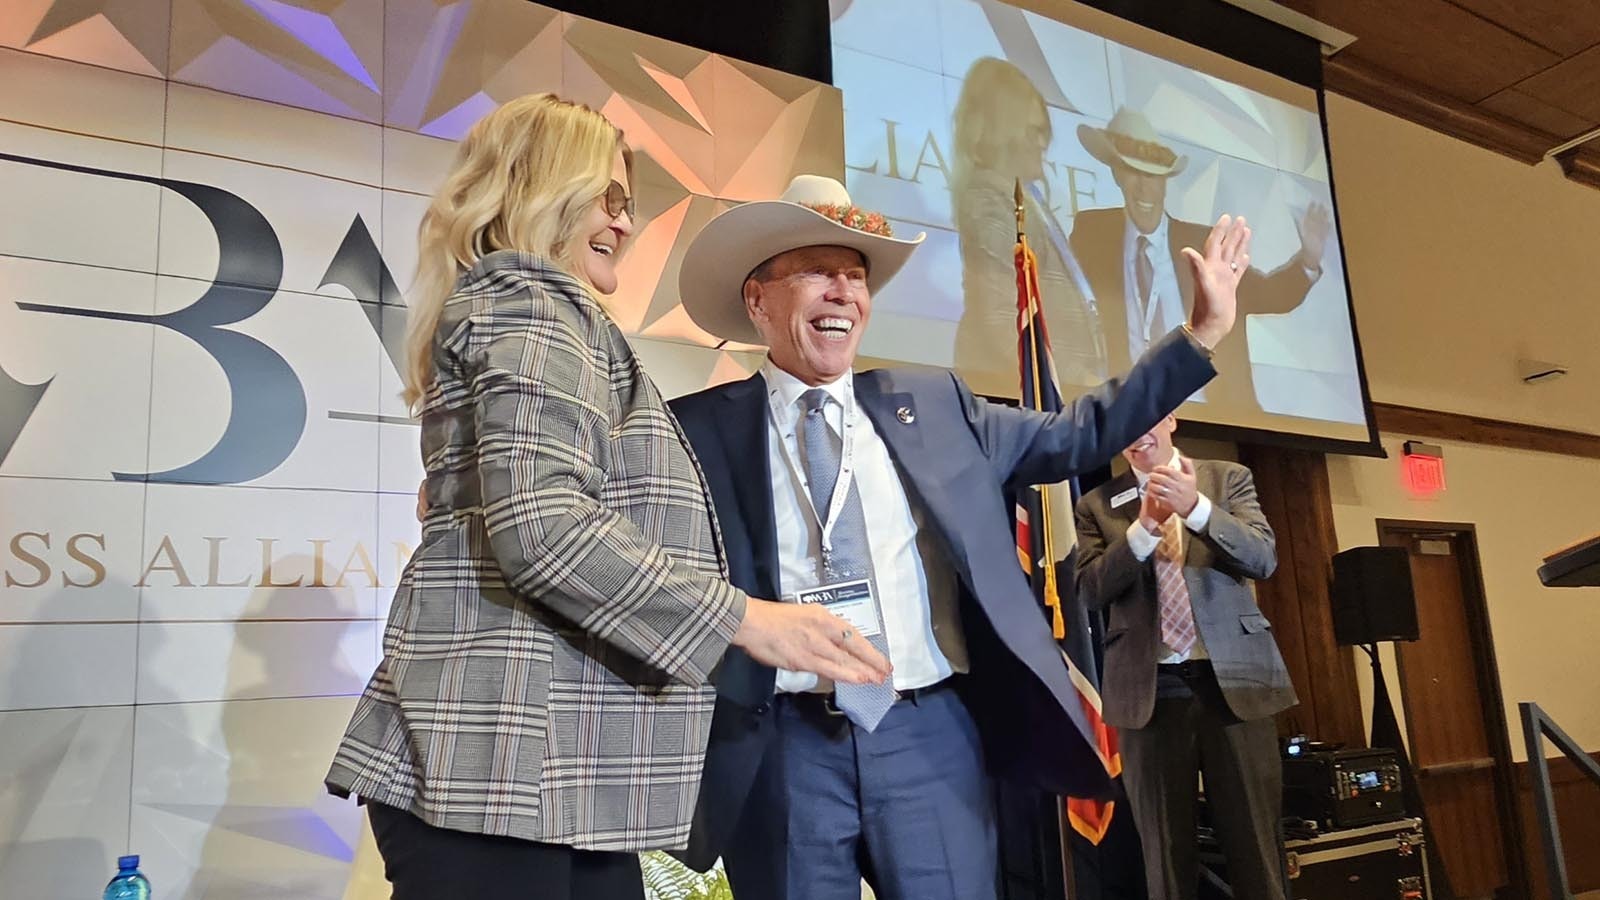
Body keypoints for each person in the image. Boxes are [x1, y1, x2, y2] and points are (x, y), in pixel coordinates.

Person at [324, 95, 888, 900]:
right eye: (609, 198)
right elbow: (545, 527)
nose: (625, 223)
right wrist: (751, 620)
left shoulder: (531, 310)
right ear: (543, 191)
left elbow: (529, 508)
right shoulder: (534, 303)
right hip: (504, 774)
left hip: (544, 782)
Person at [667, 173, 1251, 900]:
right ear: (758, 299)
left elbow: (1080, 433)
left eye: (857, 276)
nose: (844, 292)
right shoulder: (694, 430)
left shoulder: (932, 404)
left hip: (926, 734)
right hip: (781, 744)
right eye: (817, 271)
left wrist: (1200, 335)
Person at [1073, 415, 1297, 900]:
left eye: (1147, 417)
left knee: (1256, 851)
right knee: (1166, 860)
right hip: (1149, 694)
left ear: (1171, 419)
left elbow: (1262, 558)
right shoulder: (1097, 504)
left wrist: (1195, 508)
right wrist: (1144, 528)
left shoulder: (1226, 478)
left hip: (1235, 684)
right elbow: (1090, 591)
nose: (1136, 432)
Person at [1070, 106, 1332, 413]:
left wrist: (1308, 259)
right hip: (1132, 417)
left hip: (1214, 414)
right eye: (1132, 171)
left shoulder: (1204, 243)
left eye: (1153, 174)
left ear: (1165, 181)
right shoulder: (1092, 234)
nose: (1143, 187)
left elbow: (1269, 294)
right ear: (1116, 174)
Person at [951, 57, 1107, 392]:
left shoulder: (1025, 197)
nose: (1043, 143)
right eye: (1034, 131)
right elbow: (1003, 322)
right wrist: (1079, 381)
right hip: (1026, 399)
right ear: (1003, 131)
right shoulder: (989, 202)